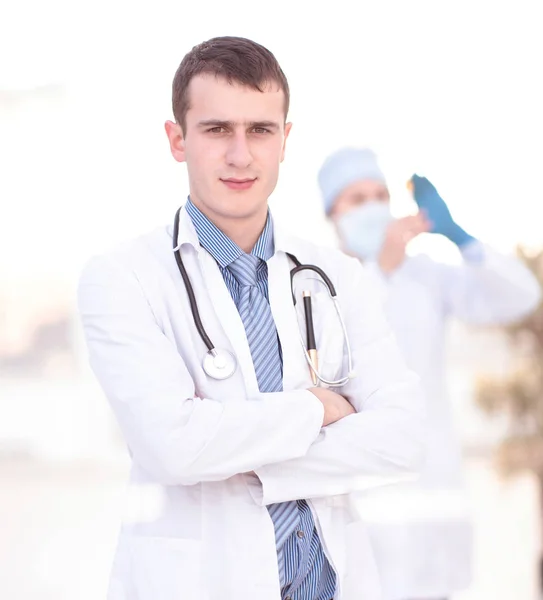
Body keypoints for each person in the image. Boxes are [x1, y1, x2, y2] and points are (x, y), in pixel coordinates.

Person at [77, 38, 425, 600]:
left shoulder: (335, 275)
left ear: (285, 140)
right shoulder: (123, 278)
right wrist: (317, 408)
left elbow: (404, 437)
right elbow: (172, 447)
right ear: (177, 140)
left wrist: (245, 458)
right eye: (217, 130)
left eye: (260, 130)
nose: (241, 155)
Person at [318, 147, 542, 600]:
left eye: (380, 194)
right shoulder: (317, 283)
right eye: (357, 198)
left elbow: (520, 297)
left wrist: (460, 238)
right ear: (331, 214)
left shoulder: (427, 276)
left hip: (435, 495)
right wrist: (381, 268)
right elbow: (340, 364)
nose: (373, 207)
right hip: (362, 506)